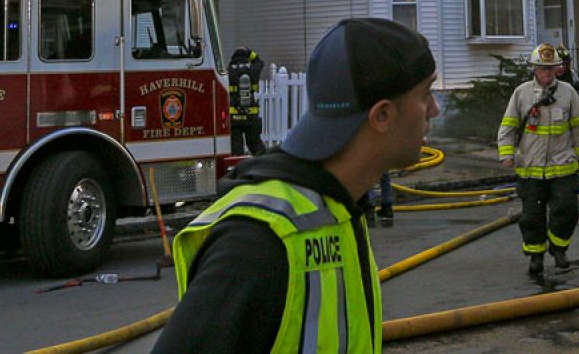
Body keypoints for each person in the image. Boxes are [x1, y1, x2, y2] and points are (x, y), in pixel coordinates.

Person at [159, 18, 439, 354]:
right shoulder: (257, 243)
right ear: (381, 116)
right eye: (426, 94)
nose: (434, 110)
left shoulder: (339, 207)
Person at [498, 42, 579, 275]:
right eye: (543, 68)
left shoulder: (568, 93)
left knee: (568, 210)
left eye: (551, 68)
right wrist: (506, 153)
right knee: (532, 217)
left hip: (563, 167)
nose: (547, 72)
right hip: (531, 168)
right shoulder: (521, 94)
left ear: (558, 69)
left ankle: (559, 249)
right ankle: (536, 257)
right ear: (534, 69)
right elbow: (508, 125)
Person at [226, 47, 266, 156]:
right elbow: (259, 61)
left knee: (236, 147)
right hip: (251, 116)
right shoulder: (253, 70)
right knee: (255, 144)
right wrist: (249, 52)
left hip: (234, 117)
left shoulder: (229, 72)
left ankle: (239, 168)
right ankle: (263, 166)